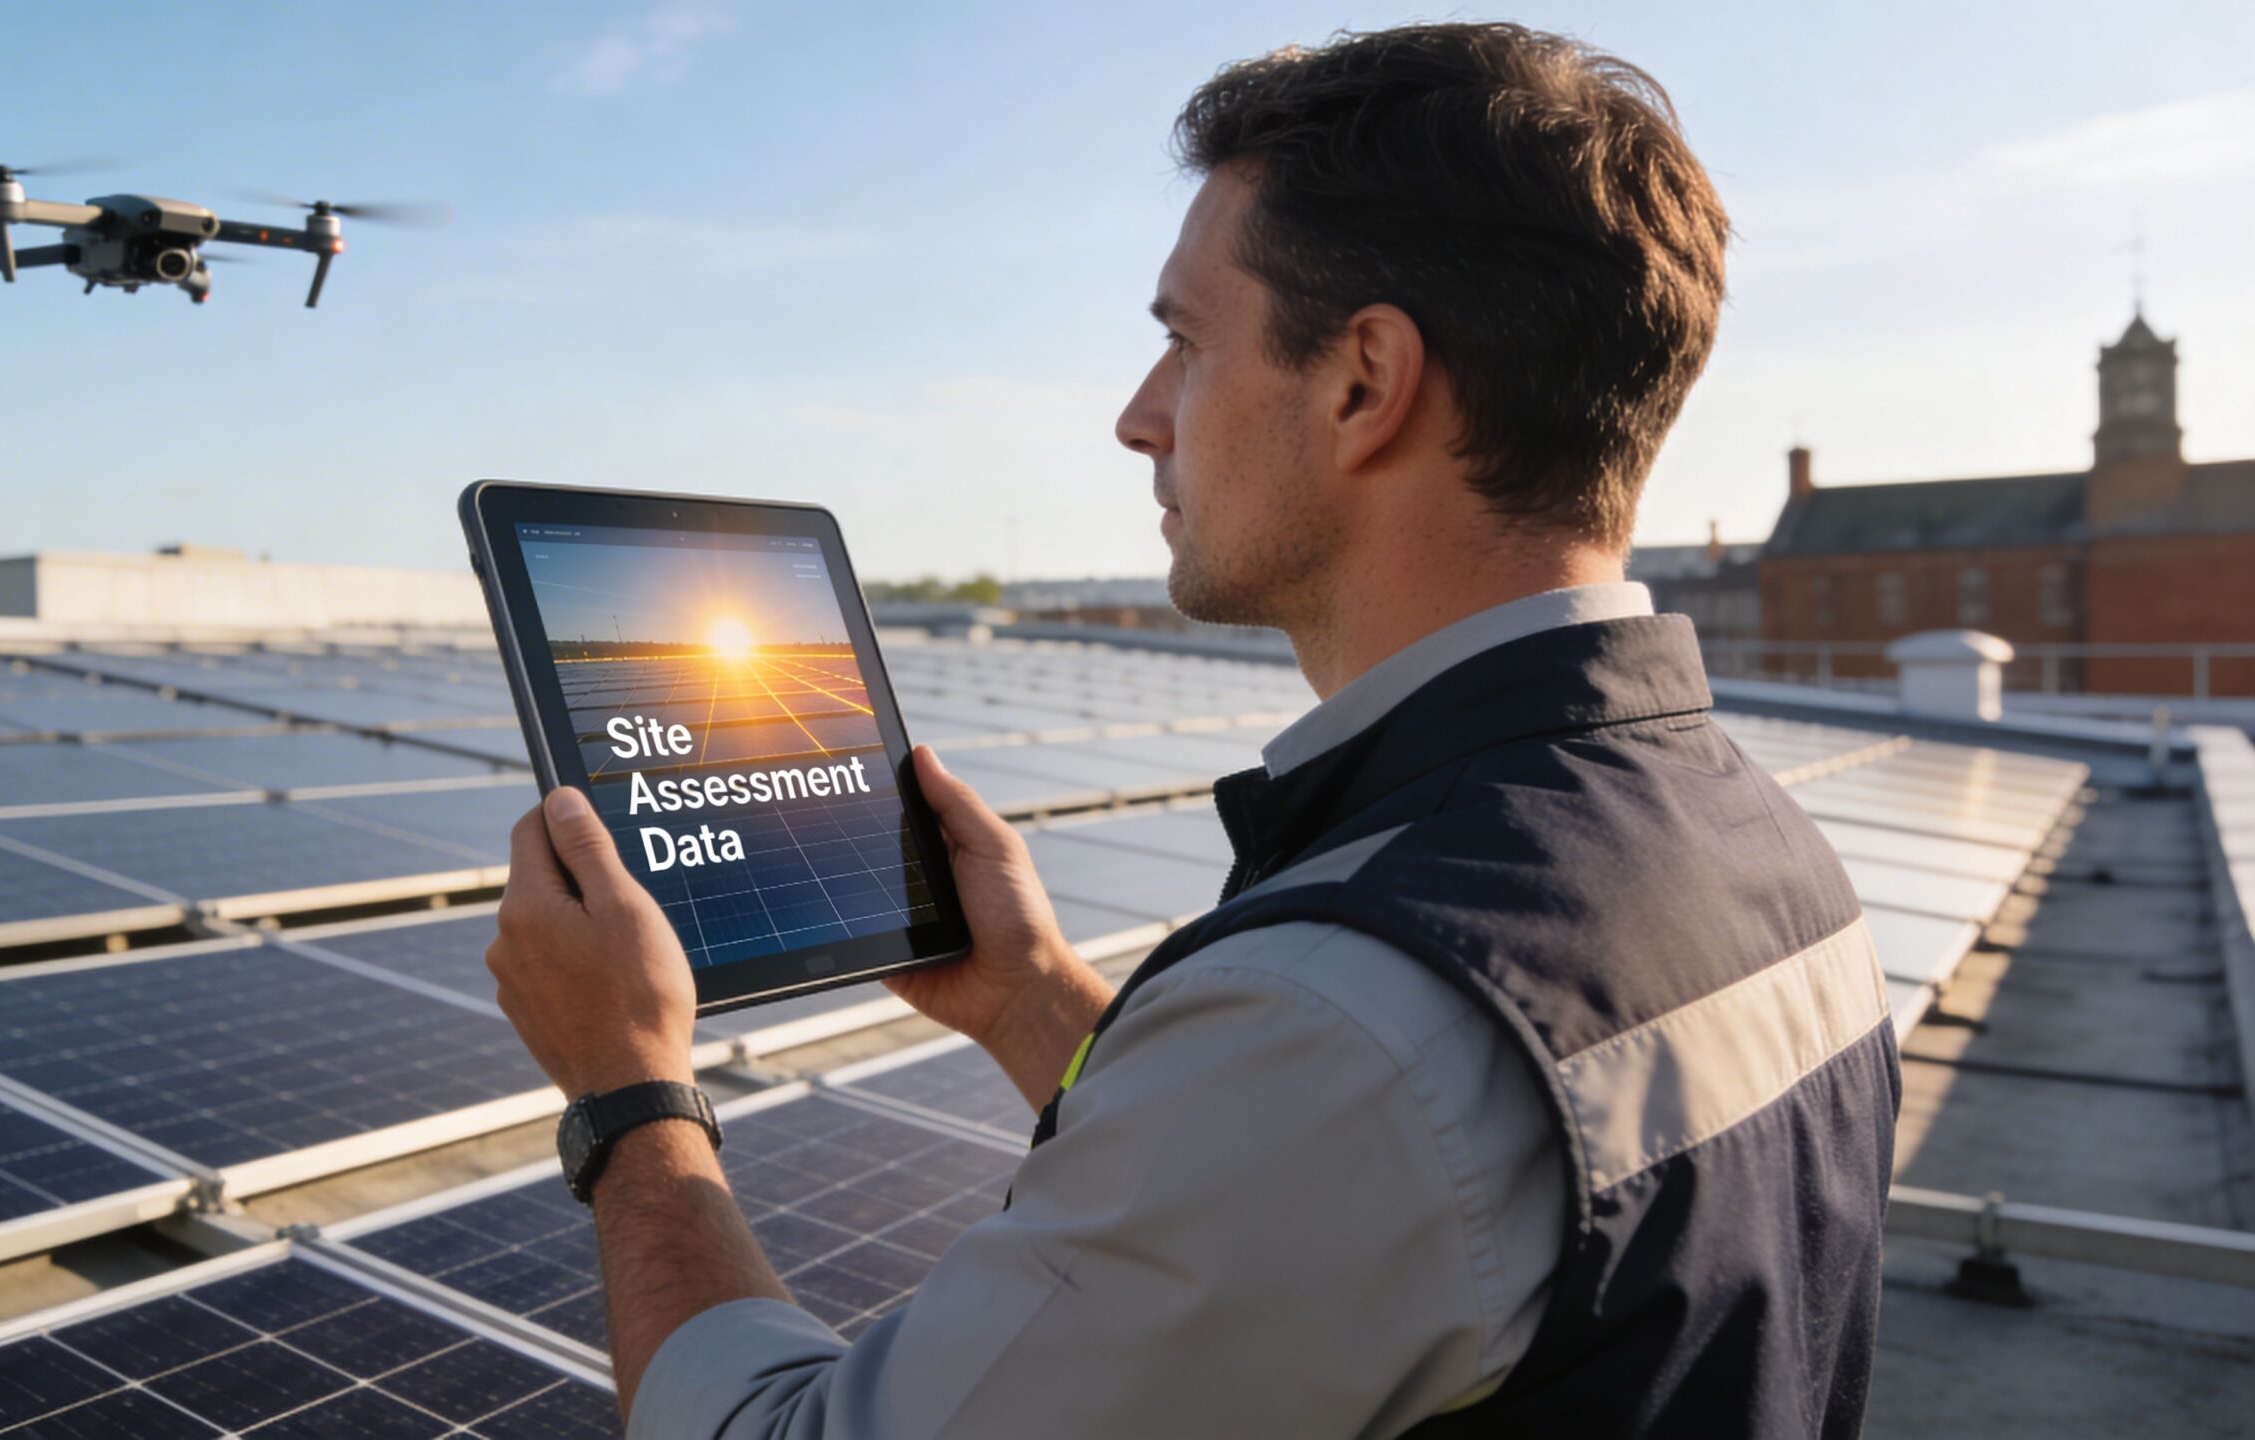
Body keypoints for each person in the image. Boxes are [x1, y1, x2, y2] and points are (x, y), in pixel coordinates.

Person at [488, 21, 1898, 1439]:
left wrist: (630, 1094)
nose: (1137, 417)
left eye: (1183, 341)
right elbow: (1406, 1220)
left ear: (1364, 382)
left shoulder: (1350, 1018)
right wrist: (1032, 997)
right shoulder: (1775, 861)